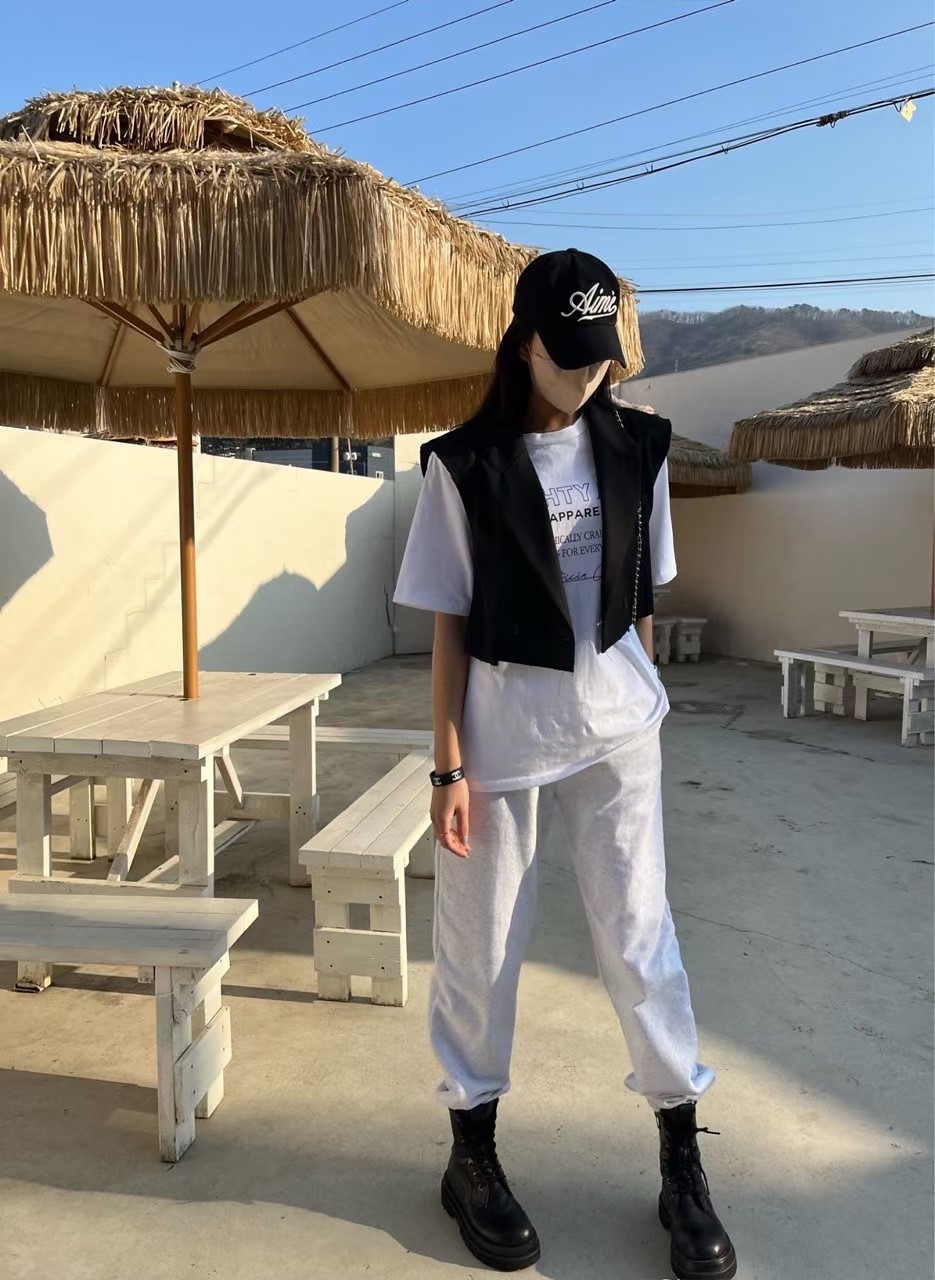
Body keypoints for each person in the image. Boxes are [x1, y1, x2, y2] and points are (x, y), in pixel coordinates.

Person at [393, 248, 736, 1279]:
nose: (587, 376)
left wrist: (629, 694)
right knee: (479, 947)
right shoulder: (463, 465)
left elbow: (639, 596)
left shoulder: (639, 445)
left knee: (639, 937)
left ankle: (680, 1157)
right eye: (568, 356)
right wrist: (446, 768)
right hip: (499, 744)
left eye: (600, 358)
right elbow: (449, 624)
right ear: (522, 344)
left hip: (619, 734)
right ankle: (471, 1154)